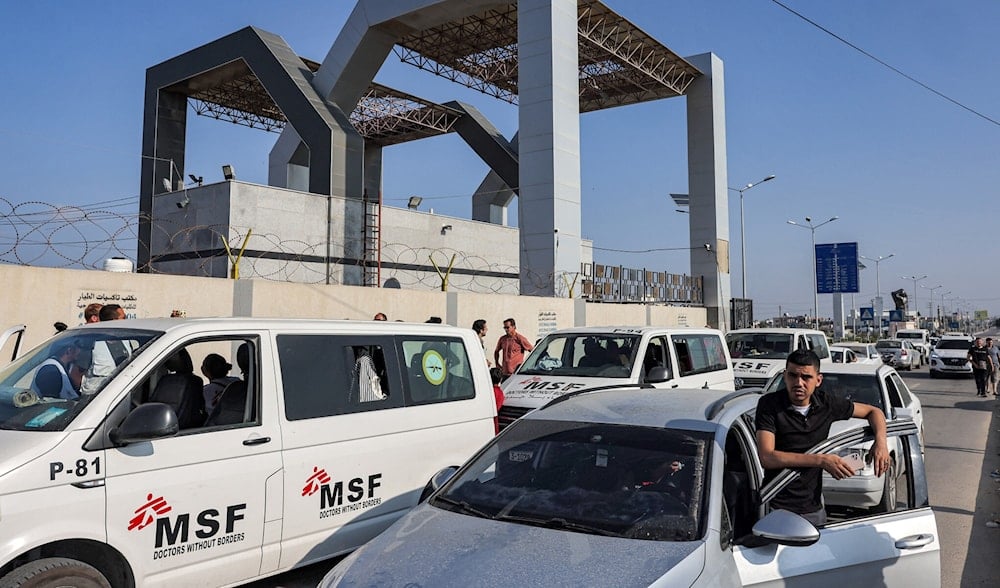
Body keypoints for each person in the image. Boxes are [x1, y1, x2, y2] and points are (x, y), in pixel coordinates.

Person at [756, 349, 889, 526]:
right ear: (784, 376)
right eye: (793, 375)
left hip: (813, 508)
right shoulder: (769, 405)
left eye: (806, 377)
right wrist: (821, 460)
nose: (799, 382)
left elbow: (874, 412)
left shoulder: (826, 404)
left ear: (818, 380)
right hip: (776, 504)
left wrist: (881, 443)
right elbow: (767, 457)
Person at [80, 303, 127, 395]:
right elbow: (77, 371)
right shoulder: (91, 342)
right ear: (114, 320)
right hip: (94, 396)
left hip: (120, 393)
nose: (126, 321)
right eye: (123, 318)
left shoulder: (127, 340)